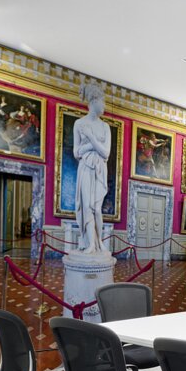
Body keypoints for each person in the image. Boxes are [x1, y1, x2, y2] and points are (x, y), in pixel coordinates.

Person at [73, 81, 111, 254]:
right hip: (86, 168)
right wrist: (90, 146)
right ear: (94, 101)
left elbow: (105, 153)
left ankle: (99, 242)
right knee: (87, 205)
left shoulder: (105, 127)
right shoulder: (79, 124)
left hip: (100, 168)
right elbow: (76, 152)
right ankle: (90, 244)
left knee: (97, 208)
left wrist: (90, 138)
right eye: (103, 101)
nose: (104, 105)